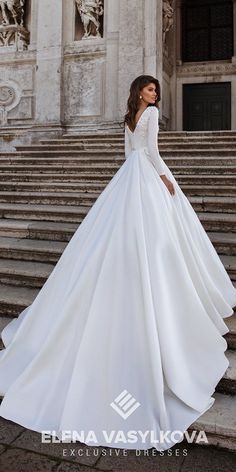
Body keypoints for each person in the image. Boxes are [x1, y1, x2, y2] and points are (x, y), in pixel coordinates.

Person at [0, 75, 235, 452]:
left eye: (156, 90)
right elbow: (153, 153)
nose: (154, 94)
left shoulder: (129, 116)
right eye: (149, 89)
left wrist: (131, 177)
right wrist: (164, 180)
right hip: (146, 175)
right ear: (140, 92)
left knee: (120, 235)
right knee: (163, 237)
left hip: (128, 178)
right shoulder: (152, 114)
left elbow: (128, 155)